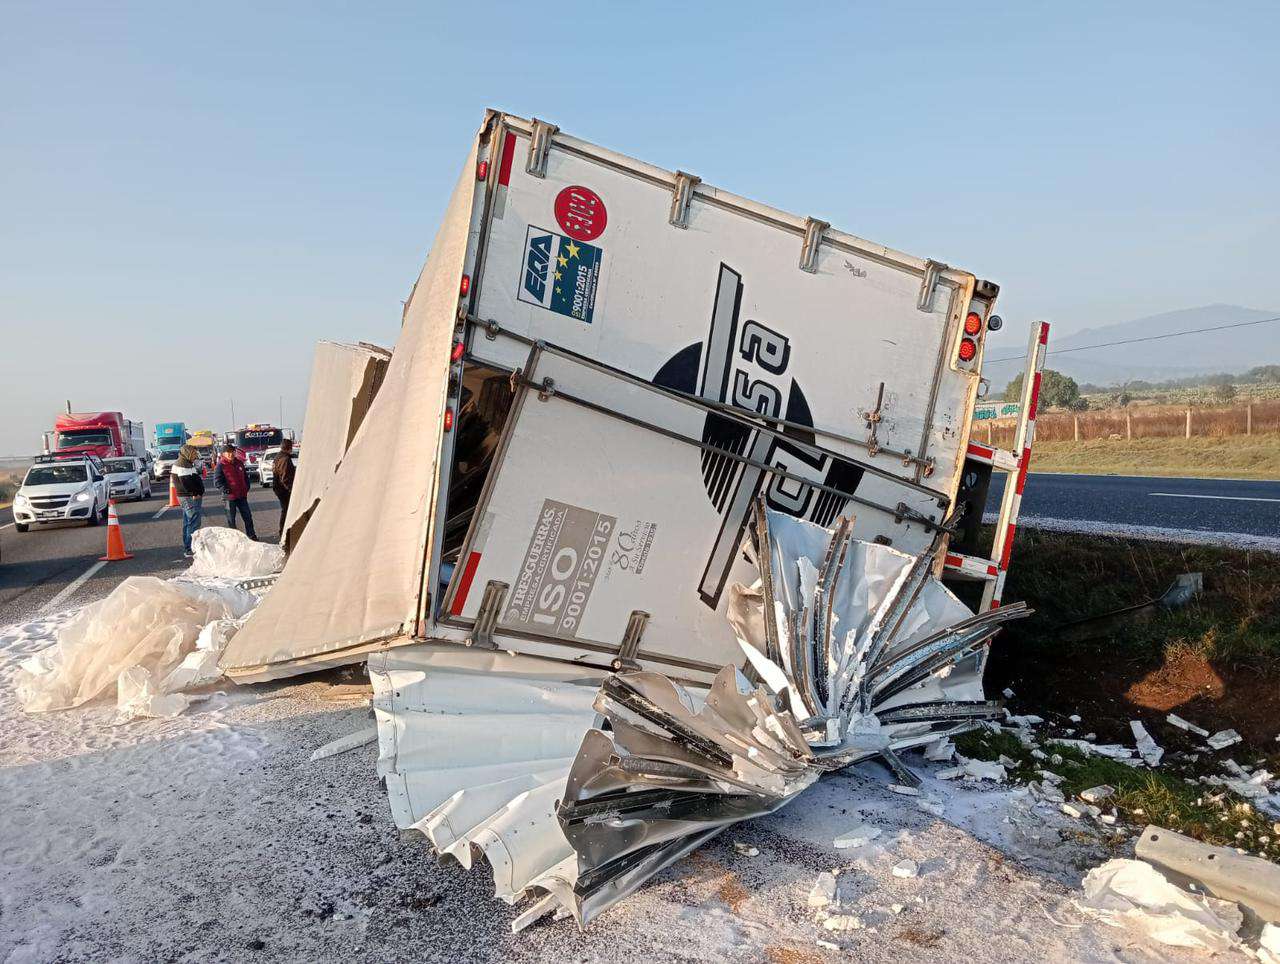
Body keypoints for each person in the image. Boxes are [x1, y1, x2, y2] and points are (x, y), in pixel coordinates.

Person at [213, 442, 257, 540]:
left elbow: (245, 477)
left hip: (242, 496)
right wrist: (226, 490)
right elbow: (217, 482)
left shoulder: (239, 463)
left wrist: (246, 486)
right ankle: (234, 539)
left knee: (248, 516)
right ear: (223, 454)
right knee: (231, 519)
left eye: (232, 452)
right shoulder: (220, 465)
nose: (231, 454)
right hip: (230, 498)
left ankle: (252, 535)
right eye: (228, 452)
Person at [171, 444, 205, 558]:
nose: (195, 455)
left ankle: (188, 546)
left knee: (188, 522)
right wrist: (195, 493)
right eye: (193, 453)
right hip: (189, 497)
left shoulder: (187, 463)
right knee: (193, 522)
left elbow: (195, 477)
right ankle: (190, 548)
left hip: (188, 496)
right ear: (188, 453)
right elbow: (186, 482)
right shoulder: (182, 465)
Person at [270, 439, 296, 536]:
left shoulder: (279, 457)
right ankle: (284, 532)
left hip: (279, 488)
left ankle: (284, 531)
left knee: (286, 509)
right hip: (283, 489)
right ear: (289, 448)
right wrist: (290, 489)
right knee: (286, 510)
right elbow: (285, 477)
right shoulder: (284, 459)